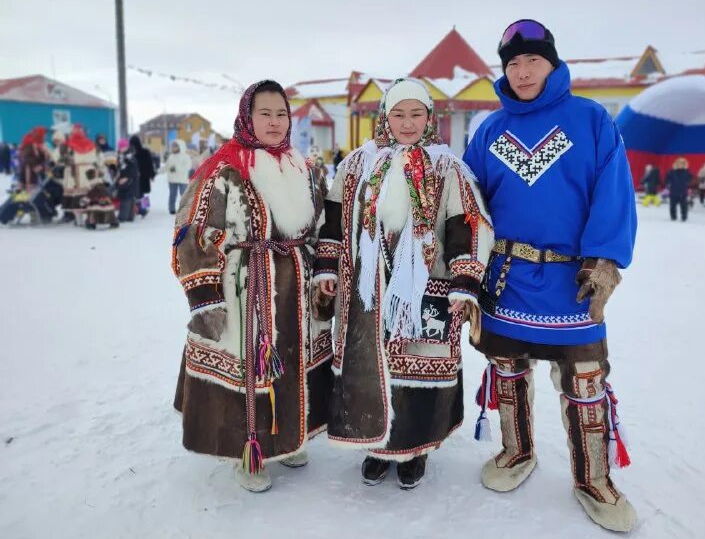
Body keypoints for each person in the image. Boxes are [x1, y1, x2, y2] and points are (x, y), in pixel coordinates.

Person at [463, 19, 638, 533]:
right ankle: (517, 453)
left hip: (571, 281)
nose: (522, 71)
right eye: (512, 63)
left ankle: (593, 478)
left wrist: (604, 260)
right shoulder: (490, 130)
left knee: (585, 380)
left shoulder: (590, 121)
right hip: (507, 278)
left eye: (532, 61)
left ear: (553, 63)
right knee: (508, 370)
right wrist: (466, 264)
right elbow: (469, 204)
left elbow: (614, 192)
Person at [313, 78, 492, 489]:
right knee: (373, 367)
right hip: (368, 290)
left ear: (430, 118)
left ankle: (415, 450)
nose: (407, 123)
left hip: (429, 287)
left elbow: (462, 222)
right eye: (398, 114)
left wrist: (465, 283)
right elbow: (335, 219)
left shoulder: (447, 166)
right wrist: (327, 268)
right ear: (385, 118)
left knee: (419, 368)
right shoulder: (358, 164)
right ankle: (377, 447)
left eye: (416, 114)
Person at [172, 80, 332, 493]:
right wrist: (205, 299)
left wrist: (322, 277)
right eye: (266, 113)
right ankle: (249, 449)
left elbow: (319, 228)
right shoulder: (223, 170)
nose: (275, 122)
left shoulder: (305, 168)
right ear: (248, 116)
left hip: (297, 287)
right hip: (244, 288)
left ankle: (289, 437)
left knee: (292, 362)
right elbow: (194, 233)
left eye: (282, 113)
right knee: (251, 368)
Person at [128, 135, 155, 217]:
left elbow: (149, 163)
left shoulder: (131, 153)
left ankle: (142, 209)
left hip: (138, 176)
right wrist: (151, 174)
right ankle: (143, 208)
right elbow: (150, 164)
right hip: (143, 175)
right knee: (142, 193)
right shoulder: (145, 151)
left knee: (139, 193)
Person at [164, 139, 192, 215]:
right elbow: (166, 166)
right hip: (172, 179)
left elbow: (188, 166)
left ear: (180, 147)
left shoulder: (186, 156)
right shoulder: (171, 156)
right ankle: (171, 209)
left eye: (175, 146)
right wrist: (159, 171)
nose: (173, 148)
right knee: (172, 194)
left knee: (183, 195)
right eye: (173, 146)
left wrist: (176, 169)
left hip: (182, 179)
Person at [116, 143, 140, 223]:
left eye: (122, 147)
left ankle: (123, 217)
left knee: (126, 198)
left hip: (130, 180)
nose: (121, 149)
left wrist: (126, 178)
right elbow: (121, 168)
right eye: (120, 147)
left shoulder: (130, 157)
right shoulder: (122, 156)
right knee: (130, 198)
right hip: (128, 180)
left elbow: (133, 169)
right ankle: (130, 216)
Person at [664, 157, 692, 222]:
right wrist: (668, 183)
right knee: (672, 205)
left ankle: (684, 217)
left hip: (683, 191)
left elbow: (691, 179)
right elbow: (667, 179)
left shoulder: (687, 172)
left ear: (684, 164)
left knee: (684, 205)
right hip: (673, 191)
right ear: (676, 164)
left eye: (682, 163)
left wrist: (689, 184)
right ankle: (673, 216)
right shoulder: (671, 171)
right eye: (679, 163)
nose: (680, 165)